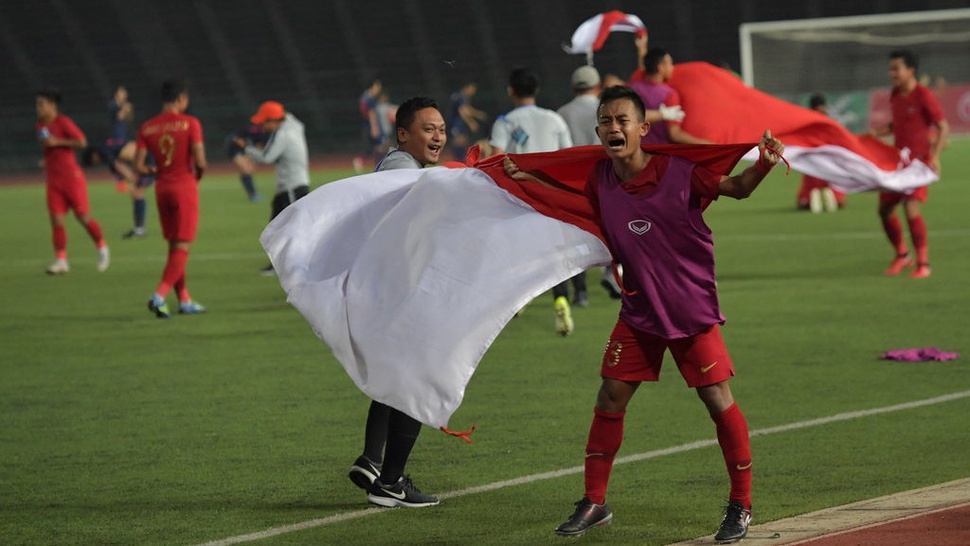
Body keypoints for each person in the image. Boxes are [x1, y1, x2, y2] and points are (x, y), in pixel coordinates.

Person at [504, 86, 785, 544]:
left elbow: (736, 189)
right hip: (638, 311)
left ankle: (741, 504)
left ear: (642, 129)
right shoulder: (600, 178)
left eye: (622, 120)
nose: (614, 128)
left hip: (690, 312)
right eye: (606, 121)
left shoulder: (678, 173)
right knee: (611, 394)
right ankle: (594, 501)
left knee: (717, 401)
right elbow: (565, 193)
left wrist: (764, 165)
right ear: (598, 130)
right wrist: (521, 176)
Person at [349, 96, 446, 509]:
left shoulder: (398, 165)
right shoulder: (405, 173)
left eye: (441, 128)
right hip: (401, 294)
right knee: (416, 382)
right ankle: (390, 482)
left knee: (394, 380)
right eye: (429, 128)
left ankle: (373, 461)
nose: (438, 135)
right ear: (403, 134)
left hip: (386, 292)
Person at [489, 66, 576, 335]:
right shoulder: (554, 119)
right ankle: (560, 298)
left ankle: (517, 300)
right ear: (535, 91)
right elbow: (568, 157)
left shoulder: (505, 122)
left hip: (519, 193)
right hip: (550, 191)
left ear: (511, 91)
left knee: (518, 248)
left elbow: (496, 158)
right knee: (552, 250)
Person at [869, 50, 948, 279]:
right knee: (884, 210)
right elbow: (898, 125)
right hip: (897, 163)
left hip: (918, 165)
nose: (891, 73)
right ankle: (903, 255)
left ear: (911, 70)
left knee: (910, 207)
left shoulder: (923, 95)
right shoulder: (895, 95)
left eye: (896, 68)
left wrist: (935, 156)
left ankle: (924, 264)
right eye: (891, 68)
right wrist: (876, 133)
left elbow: (943, 127)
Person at [134, 79, 208, 318]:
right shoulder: (190, 124)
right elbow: (200, 161)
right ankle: (159, 295)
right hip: (183, 187)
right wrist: (197, 175)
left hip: (162, 188)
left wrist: (155, 172)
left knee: (174, 246)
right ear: (180, 100)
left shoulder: (147, 127)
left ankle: (184, 299)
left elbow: (138, 165)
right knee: (183, 246)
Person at [35, 89, 110, 275]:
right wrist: (47, 159)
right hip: (53, 179)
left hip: (71, 178)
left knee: (83, 217)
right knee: (56, 219)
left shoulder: (64, 122)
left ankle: (102, 247)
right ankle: (61, 261)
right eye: (37, 104)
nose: (38, 108)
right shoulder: (39, 126)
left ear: (52, 105)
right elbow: (48, 147)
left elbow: (82, 141)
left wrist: (58, 141)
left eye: (42, 104)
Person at [233, 101, 310, 275]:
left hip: (291, 186)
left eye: (264, 122)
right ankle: (284, 264)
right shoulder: (293, 125)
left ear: (274, 120)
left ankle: (289, 265)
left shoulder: (283, 133)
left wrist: (246, 148)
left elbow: (267, 157)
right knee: (280, 227)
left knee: (285, 228)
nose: (262, 126)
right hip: (295, 185)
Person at [629, 47, 711, 145]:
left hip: (634, 150)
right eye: (670, 64)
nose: (672, 68)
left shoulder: (631, 88)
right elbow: (674, 134)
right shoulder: (669, 95)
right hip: (659, 153)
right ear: (660, 67)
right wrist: (707, 144)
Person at [795, 94, 845, 213]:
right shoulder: (832, 123)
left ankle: (810, 197)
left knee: (805, 198)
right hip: (829, 162)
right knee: (836, 192)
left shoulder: (807, 123)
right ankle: (832, 196)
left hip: (813, 162)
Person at [224, 123, 270, 202]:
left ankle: (253, 194)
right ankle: (253, 195)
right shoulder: (256, 131)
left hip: (245, 149)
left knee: (250, 170)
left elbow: (259, 148)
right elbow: (237, 139)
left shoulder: (266, 135)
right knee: (246, 170)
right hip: (234, 148)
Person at [448, 82, 487, 161]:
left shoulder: (464, 97)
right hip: (456, 123)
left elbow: (467, 109)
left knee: (463, 140)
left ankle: (461, 160)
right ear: (467, 87)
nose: (473, 92)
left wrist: (478, 114)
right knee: (459, 140)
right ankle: (457, 160)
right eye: (472, 89)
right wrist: (471, 122)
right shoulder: (460, 97)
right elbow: (462, 111)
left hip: (460, 123)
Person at [353, 79, 386, 172]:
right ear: (373, 86)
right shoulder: (370, 98)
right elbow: (372, 114)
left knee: (372, 147)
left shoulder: (363, 97)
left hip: (366, 125)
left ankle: (362, 160)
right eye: (378, 86)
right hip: (372, 125)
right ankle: (379, 165)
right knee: (379, 146)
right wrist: (374, 128)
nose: (379, 89)